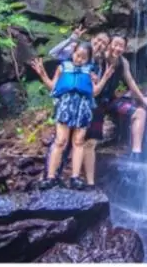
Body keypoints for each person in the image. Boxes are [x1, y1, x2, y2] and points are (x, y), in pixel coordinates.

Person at [29, 42, 103, 190]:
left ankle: (75, 177)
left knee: (78, 141)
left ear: (88, 59)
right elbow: (53, 87)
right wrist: (42, 73)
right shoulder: (62, 67)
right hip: (65, 104)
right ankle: (50, 177)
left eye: (83, 57)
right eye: (77, 55)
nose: (79, 59)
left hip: (82, 106)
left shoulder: (90, 72)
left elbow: (94, 92)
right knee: (61, 141)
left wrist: (102, 78)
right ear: (73, 53)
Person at [92, 35, 147, 162]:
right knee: (91, 138)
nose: (117, 48)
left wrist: (143, 99)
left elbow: (130, 81)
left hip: (111, 101)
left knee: (140, 112)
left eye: (121, 46)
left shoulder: (123, 62)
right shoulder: (100, 58)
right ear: (109, 44)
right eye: (115, 44)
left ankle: (136, 153)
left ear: (125, 49)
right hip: (95, 102)